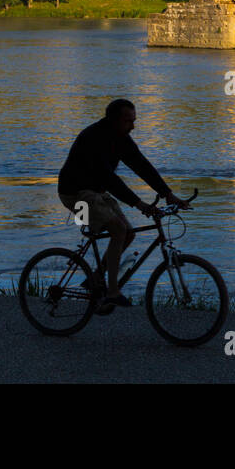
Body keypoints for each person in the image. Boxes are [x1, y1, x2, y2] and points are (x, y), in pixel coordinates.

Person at [58, 99, 190, 313]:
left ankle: (95, 280)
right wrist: (140, 204)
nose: (133, 126)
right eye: (128, 121)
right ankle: (112, 292)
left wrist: (168, 194)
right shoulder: (94, 137)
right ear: (113, 120)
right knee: (118, 230)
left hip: (96, 192)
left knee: (128, 233)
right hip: (74, 194)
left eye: (134, 121)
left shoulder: (122, 139)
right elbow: (108, 178)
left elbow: (142, 166)